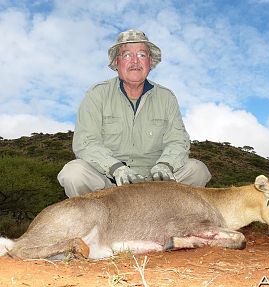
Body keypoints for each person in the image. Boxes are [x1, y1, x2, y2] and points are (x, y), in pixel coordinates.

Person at [58, 29, 211, 197]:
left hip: (156, 181)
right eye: (127, 55)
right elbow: (85, 142)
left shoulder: (167, 97)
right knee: (74, 174)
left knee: (197, 170)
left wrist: (165, 165)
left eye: (142, 55)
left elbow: (178, 140)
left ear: (150, 63)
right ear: (117, 63)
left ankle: (170, 219)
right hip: (109, 180)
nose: (135, 61)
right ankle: (95, 220)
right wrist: (116, 168)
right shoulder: (97, 94)